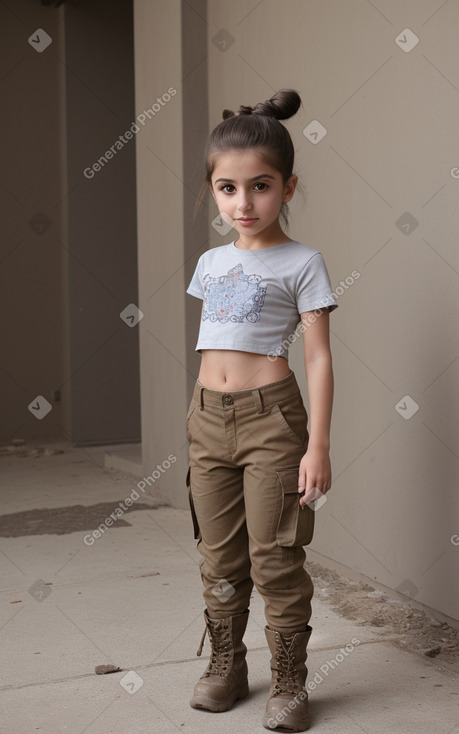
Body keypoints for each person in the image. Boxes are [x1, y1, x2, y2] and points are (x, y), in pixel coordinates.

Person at [185, 89, 338, 732]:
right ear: (214, 191)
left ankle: (289, 680)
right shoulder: (211, 261)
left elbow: (319, 358)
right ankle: (226, 664)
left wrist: (318, 446)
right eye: (227, 189)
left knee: (275, 555)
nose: (243, 204)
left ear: (288, 186)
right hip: (205, 418)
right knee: (218, 556)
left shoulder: (303, 262)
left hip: (272, 421)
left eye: (260, 187)